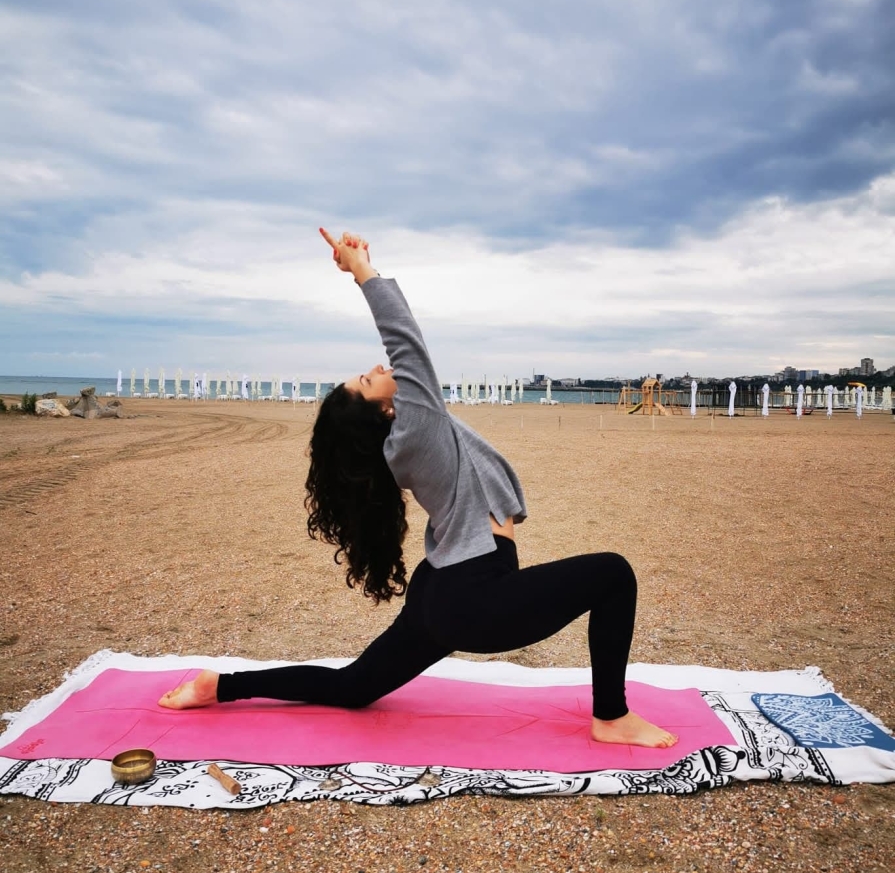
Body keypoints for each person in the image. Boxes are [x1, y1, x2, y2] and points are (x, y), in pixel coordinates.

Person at [159, 230, 677, 749]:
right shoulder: (414, 431)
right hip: (474, 596)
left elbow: (404, 365)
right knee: (613, 574)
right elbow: (405, 340)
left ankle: (220, 687)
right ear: (381, 413)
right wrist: (362, 270)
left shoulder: (408, 437)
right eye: (367, 380)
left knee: (353, 687)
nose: (377, 369)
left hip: (445, 589)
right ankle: (610, 716)